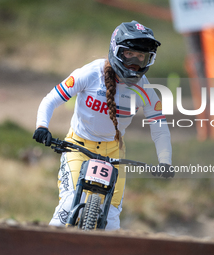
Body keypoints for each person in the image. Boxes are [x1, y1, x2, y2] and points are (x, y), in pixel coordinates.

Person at [33, 20, 173, 230]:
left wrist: (165, 161)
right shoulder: (90, 73)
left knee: (112, 220)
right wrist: (42, 126)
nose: (135, 63)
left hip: (114, 153)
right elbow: (51, 99)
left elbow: (160, 128)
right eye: (129, 55)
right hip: (78, 147)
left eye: (141, 57)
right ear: (116, 51)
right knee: (69, 205)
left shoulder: (145, 89)